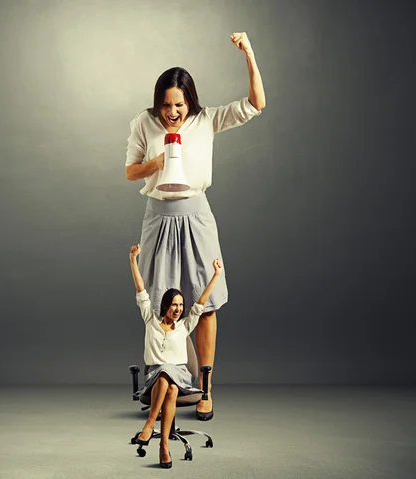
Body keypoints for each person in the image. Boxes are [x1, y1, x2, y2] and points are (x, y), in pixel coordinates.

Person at [125, 32, 265, 420]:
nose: (173, 112)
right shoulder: (144, 122)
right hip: (158, 217)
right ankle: (161, 380)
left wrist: (249, 54)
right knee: (157, 303)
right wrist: (156, 161)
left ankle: (204, 389)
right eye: (166, 105)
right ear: (158, 103)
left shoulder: (207, 120)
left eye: (180, 104)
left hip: (197, 216)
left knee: (205, 305)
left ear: (191, 102)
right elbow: (129, 171)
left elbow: (257, 103)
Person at [129, 244, 222, 469]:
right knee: (165, 379)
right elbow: (141, 290)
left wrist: (217, 275)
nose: (178, 309)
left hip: (179, 375)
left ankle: (150, 424)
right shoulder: (150, 320)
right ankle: (164, 447)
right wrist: (133, 260)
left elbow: (201, 303)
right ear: (165, 306)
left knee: (169, 375)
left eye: (181, 305)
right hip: (155, 376)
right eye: (174, 304)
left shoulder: (184, 327)